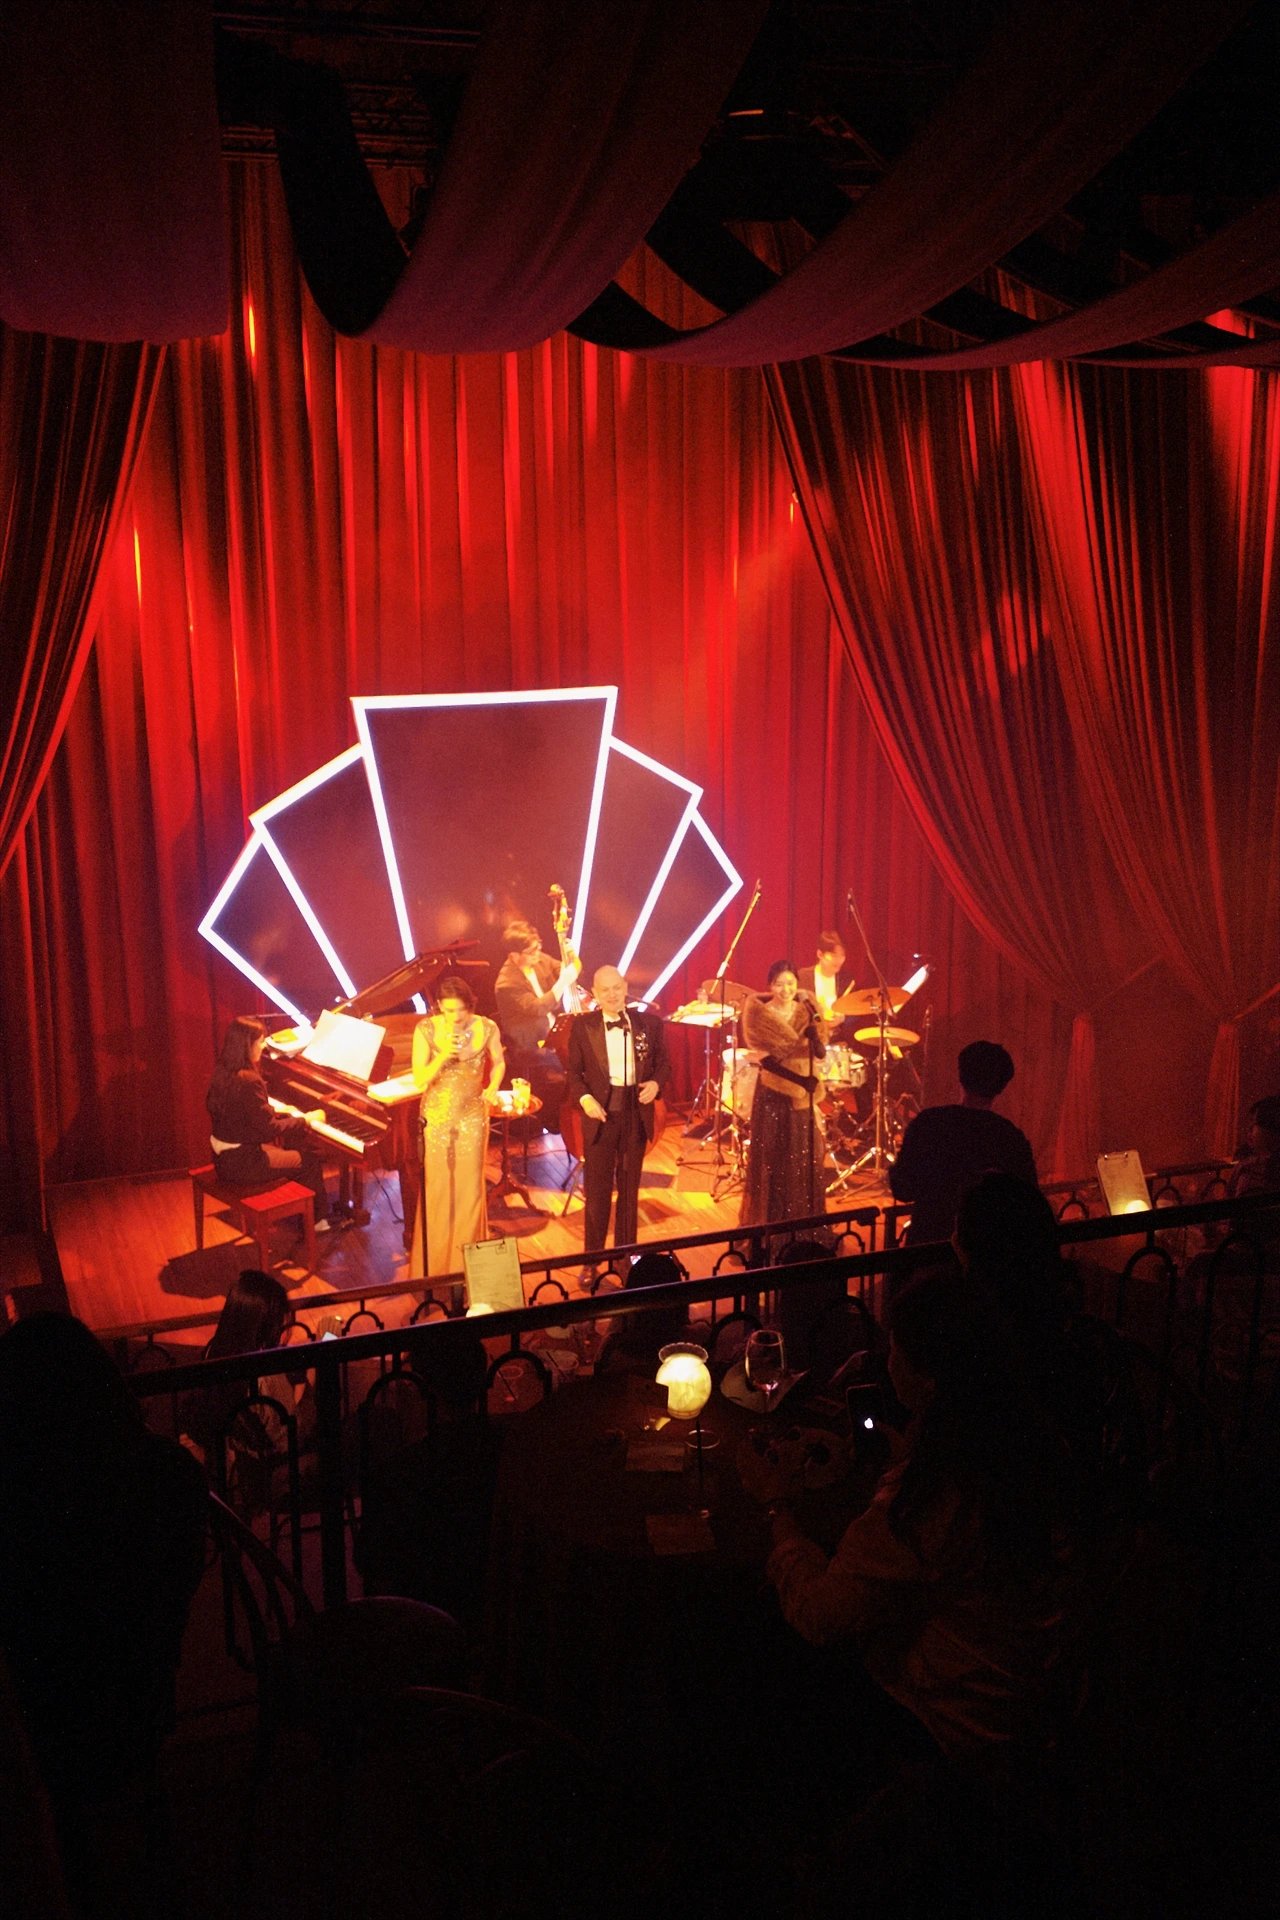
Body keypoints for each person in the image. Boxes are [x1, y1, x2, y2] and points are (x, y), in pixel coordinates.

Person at [739, 1270, 1073, 1767]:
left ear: (929, 1377)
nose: (887, 1362)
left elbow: (818, 1614)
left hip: (951, 1725)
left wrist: (776, 1504)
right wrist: (902, 1460)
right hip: (1032, 1692)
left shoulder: (929, 1496)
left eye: (894, 1350)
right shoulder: (1027, 1440)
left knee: (763, 1641)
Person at [0, 1315, 206, 1914]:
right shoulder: (169, 1474)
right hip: (140, 1695)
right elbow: (180, 1580)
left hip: (44, 1721)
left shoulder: (19, 1505)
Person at [565, 965, 671, 1257]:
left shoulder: (649, 1024)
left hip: (635, 1115)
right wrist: (585, 1098)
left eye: (616, 988)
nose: (612, 995)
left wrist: (655, 1083)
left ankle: (625, 1256)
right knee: (597, 1192)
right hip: (601, 1116)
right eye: (605, 990)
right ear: (595, 994)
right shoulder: (583, 1027)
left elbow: (664, 1064)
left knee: (629, 1191)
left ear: (625, 987)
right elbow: (573, 1073)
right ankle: (593, 1259)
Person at [889, 1039, 1037, 1246]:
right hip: (987, 1252)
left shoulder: (929, 1123)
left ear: (960, 1076)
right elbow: (1028, 1201)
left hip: (928, 1248)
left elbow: (902, 1189)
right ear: (1002, 1086)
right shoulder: (1011, 1138)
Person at [409, 975, 504, 1281]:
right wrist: (442, 1056)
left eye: (461, 1009)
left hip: (473, 1116)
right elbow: (419, 1079)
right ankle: (436, 1268)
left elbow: (499, 1062)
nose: (456, 1016)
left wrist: (494, 1084)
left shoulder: (487, 1027)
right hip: (437, 1119)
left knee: (470, 1190)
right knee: (439, 1190)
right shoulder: (425, 1030)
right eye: (450, 1010)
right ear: (439, 1006)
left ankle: (467, 1269)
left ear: (469, 1005)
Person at [205, 1014, 333, 1227]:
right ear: (248, 1045)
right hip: (242, 1165)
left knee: (290, 1151)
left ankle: (299, 1212)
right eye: (260, 1041)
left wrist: (276, 1109)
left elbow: (243, 1112)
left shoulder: (223, 1071)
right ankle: (317, 1223)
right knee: (309, 1162)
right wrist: (306, 1120)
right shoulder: (250, 1080)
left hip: (222, 1159)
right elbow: (269, 1129)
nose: (263, 1046)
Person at [739, 960, 827, 1227]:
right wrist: (801, 1080)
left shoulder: (807, 1010)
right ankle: (773, 1224)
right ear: (770, 986)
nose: (786, 989)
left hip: (803, 1095)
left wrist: (815, 1037)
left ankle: (802, 1223)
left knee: (802, 1157)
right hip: (774, 1093)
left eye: (790, 983)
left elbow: (821, 1052)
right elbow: (767, 1062)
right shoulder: (760, 1015)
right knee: (774, 1159)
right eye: (779, 984)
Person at [493, 920, 580, 1132]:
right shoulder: (506, 984)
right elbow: (538, 1008)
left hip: (553, 1032)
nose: (537, 953)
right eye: (532, 951)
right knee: (565, 1073)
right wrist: (562, 982)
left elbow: (570, 970)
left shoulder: (539, 959)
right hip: (530, 1043)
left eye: (538, 946)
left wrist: (571, 956)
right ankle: (556, 1121)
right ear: (515, 956)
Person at [798, 931, 850, 1029]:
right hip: (811, 1034)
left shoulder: (846, 979)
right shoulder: (803, 977)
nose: (839, 960)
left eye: (842, 955)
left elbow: (856, 1011)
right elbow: (796, 1010)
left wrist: (842, 1018)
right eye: (834, 955)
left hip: (838, 1035)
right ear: (820, 954)